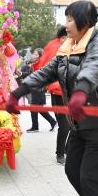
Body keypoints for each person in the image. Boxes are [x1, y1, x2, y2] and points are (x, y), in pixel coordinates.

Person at [6, 0, 98, 196]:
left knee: (91, 177)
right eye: (66, 19)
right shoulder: (68, 47)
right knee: (72, 171)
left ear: (85, 22)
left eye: (70, 19)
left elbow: (93, 70)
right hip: (79, 123)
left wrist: (80, 93)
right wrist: (18, 92)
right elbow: (46, 73)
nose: (66, 24)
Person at [36, 26, 69, 164]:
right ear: (63, 38)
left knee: (73, 124)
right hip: (59, 91)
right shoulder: (56, 48)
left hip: (64, 91)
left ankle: (66, 150)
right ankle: (60, 154)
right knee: (65, 125)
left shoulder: (54, 46)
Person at [25, 48, 57, 133]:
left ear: (40, 56)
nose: (33, 55)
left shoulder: (41, 64)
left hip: (39, 88)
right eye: (33, 54)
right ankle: (53, 122)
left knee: (33, 107)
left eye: (36, 54)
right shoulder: (34, 64)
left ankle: (35, 127)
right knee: (39, 108)